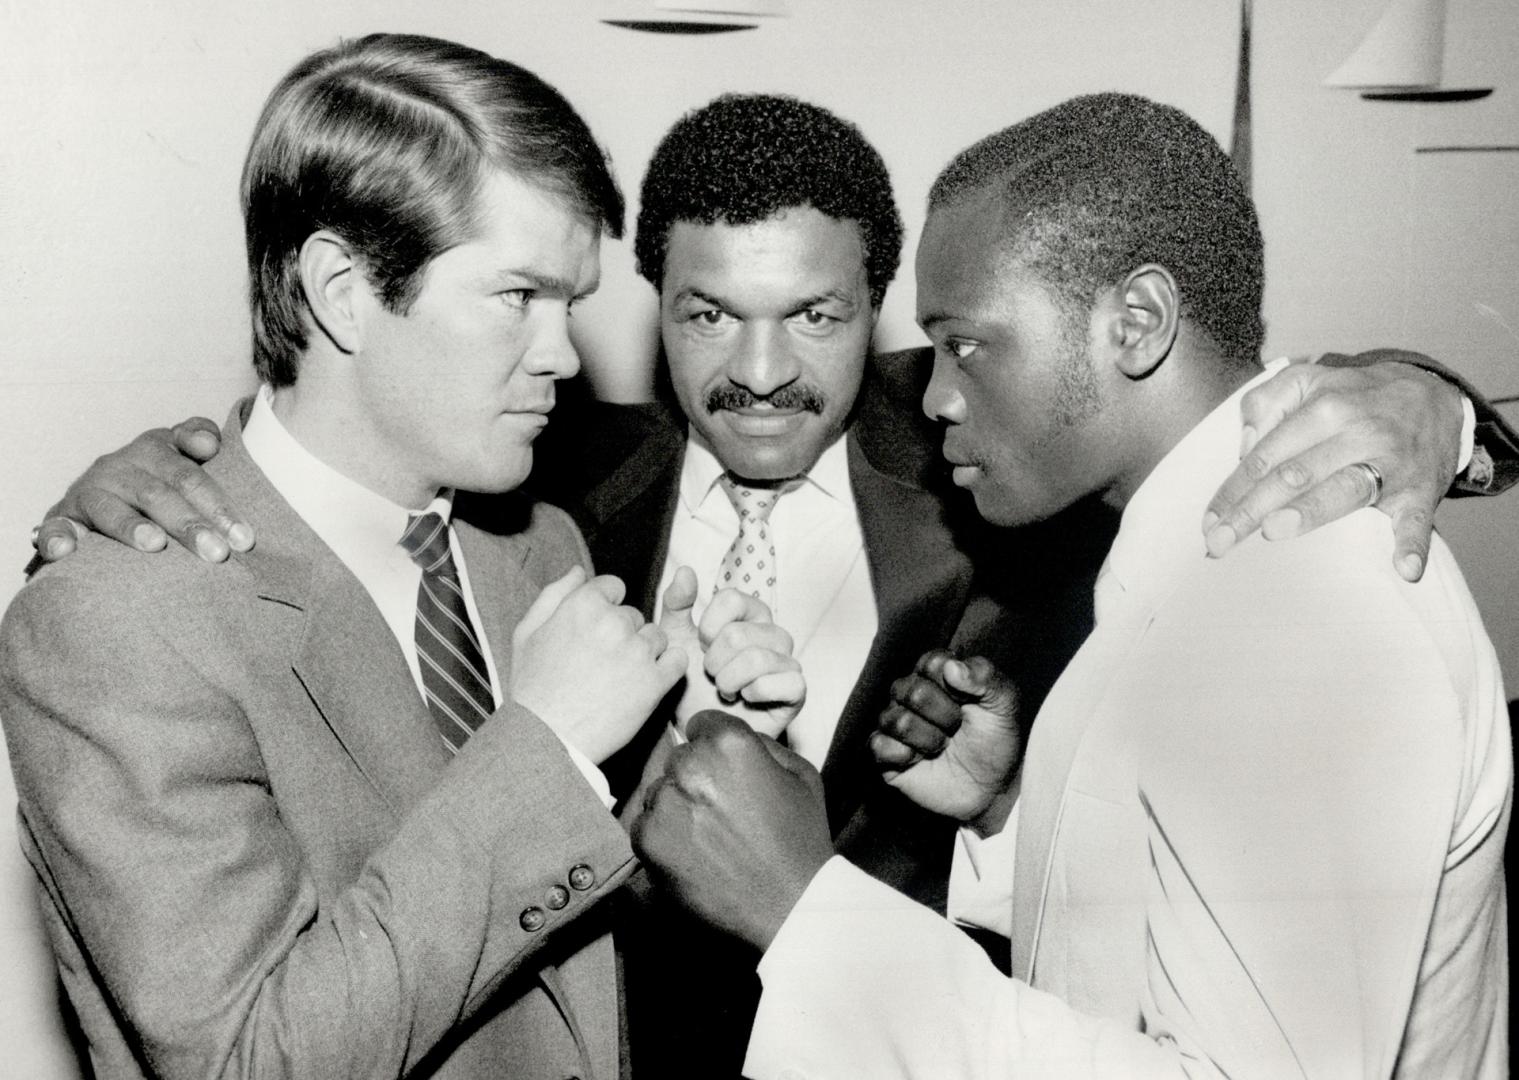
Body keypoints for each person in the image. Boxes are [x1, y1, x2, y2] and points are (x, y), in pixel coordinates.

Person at [26, 91, 1516, 1077]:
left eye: (815, 316)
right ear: (655, 312)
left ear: (884, 319)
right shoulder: (538, 493)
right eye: (696, 315)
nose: (753, 371)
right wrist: (156, 475)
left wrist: (1442, 409)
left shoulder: (1012, 476)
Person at [631, 92, 1510, 1078]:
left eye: (964, 343)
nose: (933, 395)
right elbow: (1157, 945)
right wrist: (1021, 810)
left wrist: (806, 912)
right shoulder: (1196, 556)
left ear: (1134, 323)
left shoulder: (1292, 607)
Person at [0, 34, 804, 1080]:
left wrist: (706, 750)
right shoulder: (115, 623)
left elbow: (568, 920)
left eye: (570, 304)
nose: (562, 354)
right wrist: (550, 745)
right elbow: (247, 1059)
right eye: (518, 297)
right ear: (341, 290)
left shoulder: (536, 542)